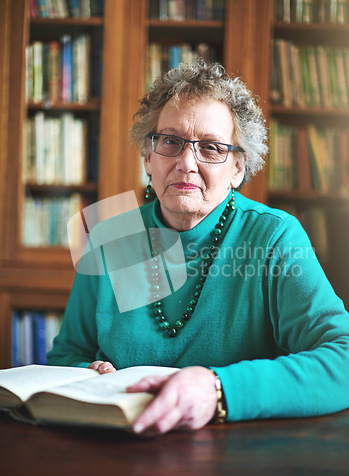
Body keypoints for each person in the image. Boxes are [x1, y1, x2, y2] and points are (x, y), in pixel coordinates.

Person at [47, 60, 349, 435]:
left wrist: (217, 390)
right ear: (148, 156)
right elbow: (66, 356)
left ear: (238, 168)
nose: (186, 163)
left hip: (236, 455)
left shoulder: (274, 238)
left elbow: (343, 360)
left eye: (210, 148)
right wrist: (86, 374)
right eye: (170, 142)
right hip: (120, 445)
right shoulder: (110, 238)